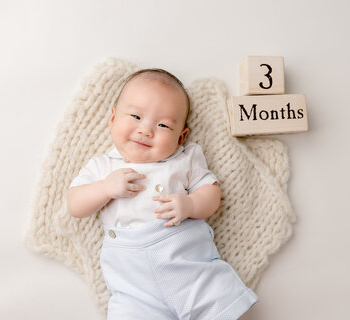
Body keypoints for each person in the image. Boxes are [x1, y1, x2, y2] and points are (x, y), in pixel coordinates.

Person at [67, 68, 258, 319]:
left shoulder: (185, 158)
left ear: (181, 137)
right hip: (134, 286)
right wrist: (105, 188)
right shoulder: (103, 166)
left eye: (163, 125)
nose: (146, 130)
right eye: (135, 116)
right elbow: (74, 204)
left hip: (189, 270)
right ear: (112, 118)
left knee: (220, 306)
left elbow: (212, 194)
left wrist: (190, 204)